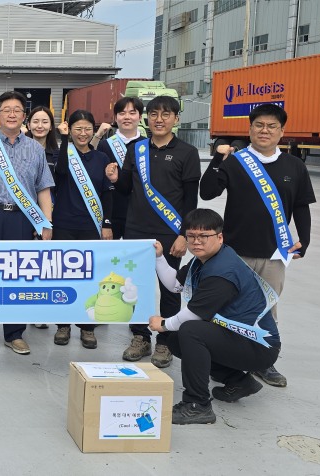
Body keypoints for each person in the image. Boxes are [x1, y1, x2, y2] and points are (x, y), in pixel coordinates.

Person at [199, 103, 315, 388]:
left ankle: (264, 361)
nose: (265, 131)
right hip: (235, 252)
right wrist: (218, 158)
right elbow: (207, 191)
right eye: (259, 125)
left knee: (267, 309)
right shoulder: (237, 161)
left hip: (274, 254)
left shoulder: (294, 166)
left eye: (272, 126)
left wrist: (305, 241)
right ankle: (224, 359)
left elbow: (301, 207)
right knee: (227, 306)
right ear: (250, 129)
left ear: (282, 132)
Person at [148, 208, 281, 425]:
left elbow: (194, 315)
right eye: (191, 236)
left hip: (258, 347)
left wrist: (162, 324)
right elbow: (174, 285)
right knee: (176, 338)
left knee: (190, 331)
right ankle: (238, 381)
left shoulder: (222, 271)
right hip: (237, 337)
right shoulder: (203, 260)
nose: (196, 242)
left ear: (219, 237)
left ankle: (197, 405)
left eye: (204, 236)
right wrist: (159, 258)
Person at [106, 95, 200, 368]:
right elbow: (125, 188)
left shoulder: (187, 152)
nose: (159, 119)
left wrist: (185, 234)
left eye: (166, 114)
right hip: (136, 232)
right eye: (154, 114)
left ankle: (165, 342)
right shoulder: (137, 148)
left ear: (176, 119)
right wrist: (116, 178)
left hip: (170, 233)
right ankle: (140, 337)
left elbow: (191, 200)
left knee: (170, 289)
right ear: (147, 118)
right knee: (135, 287)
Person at [0, 90, 54, 355]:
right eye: (6, 110)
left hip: (22, 217)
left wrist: (46, 224)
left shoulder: (34, 149)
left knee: (19, 277)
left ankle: (14, 333)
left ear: (23, 116)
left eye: (17, 110)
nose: (12, 114)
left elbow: (44, 189)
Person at [49, 110, 113, 348]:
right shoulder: (62, 153)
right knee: (64, 276)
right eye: (78, 129)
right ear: (70, 130)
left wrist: (107, 223)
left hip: (91, 226)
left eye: (87, 129)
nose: (83, 134)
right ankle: (63, 325)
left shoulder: (101, 159)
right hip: (64, 225)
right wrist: (64, 138)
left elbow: (107, 195)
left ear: (93, 130)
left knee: (91, 278)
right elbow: (62, 171)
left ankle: (87, 328)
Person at [26, 106, 59, 331]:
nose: (40, 126)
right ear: (28, 124)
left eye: (44, 121)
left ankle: (41, 310)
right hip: (24, 213)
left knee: (45, 266)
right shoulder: (21, 149)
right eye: (35, 121)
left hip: (51, 213)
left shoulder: (59, 152)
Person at [95, 97, 145, 239]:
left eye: (132, 113)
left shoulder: (147, 145)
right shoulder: (105, 145)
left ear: (140, 117)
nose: (127, 117)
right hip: (113, 212)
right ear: (115, 118)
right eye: (122, 113)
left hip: (139, 214)